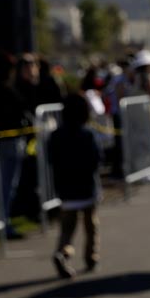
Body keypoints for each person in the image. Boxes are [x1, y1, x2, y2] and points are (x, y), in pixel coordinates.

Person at [48, 93, 101, 278]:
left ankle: (62, 251)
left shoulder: (56, 135)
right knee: (90, 225)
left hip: (65, 189)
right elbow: (96, 159)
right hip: (86, 187)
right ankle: (91, 256)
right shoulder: (87, 135)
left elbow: (51, 159)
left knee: (67, 227)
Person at [0, 51, 29, 238]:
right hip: (7, 141)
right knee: (6, 185)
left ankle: (1, 221)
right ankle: (1, 223)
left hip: (7, 140)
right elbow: (18, 108)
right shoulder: (2, 89)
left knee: (6, 185)